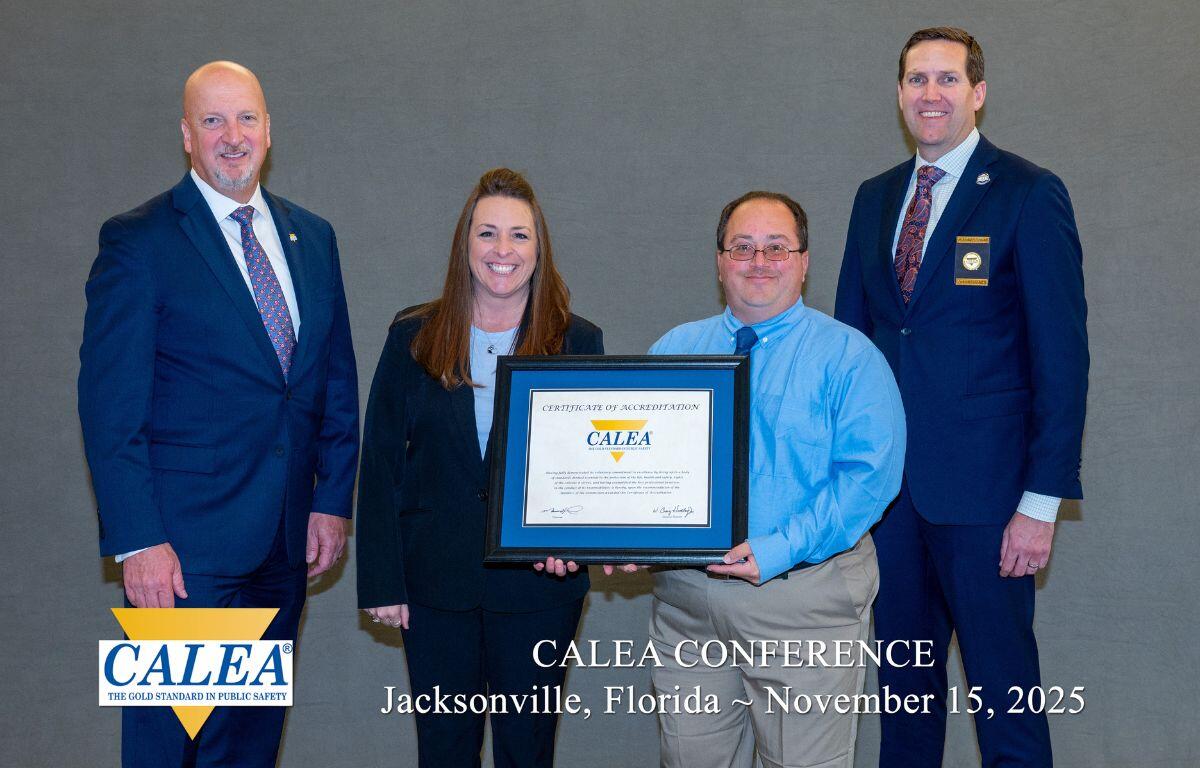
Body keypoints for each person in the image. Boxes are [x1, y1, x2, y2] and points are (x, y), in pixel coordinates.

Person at [78, 61, 359, 767]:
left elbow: (332, 381)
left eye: (246, 118)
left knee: (248, 750)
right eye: (213, 120)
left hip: (281, 549)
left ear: (269, 129)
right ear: (186, 135)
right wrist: (138, 541)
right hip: (183, 558)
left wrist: (330, 502)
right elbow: (110, 407)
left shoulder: (313, 237)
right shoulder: (140, 240)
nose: (232, 136)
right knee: (169, 750)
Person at [834, 27, 1088, 768]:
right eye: (917, 79)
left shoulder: (1027, 193)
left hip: (989, 503)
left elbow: (1062, 358)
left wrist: (1041, 503)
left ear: (978, 92)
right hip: (891, 502)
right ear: (899, 94)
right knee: (905, 706)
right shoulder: (875, 198)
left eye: (948, 79)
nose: (931, 94)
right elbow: (852, 347)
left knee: (1006, 703)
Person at [628, 192, 905, 768]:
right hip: (689, 608)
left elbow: (868, 481)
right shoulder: (674, 350)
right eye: (742, 247)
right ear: (719, 262)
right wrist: (626, 534)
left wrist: (778, 549)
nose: (759, 261)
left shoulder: (850, 357)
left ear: (804, 262)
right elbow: (638, 467)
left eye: (777, 248)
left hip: (803, 604)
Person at [356, 168, 603, 768]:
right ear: (465, 243)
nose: (502, 250)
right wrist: (382, 581)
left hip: (539, 588)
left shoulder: (577, 340)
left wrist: (576, 544)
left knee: (527, 753)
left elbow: (590, 466)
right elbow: (381, 461)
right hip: (434, 587)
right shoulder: (413, 336)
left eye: (519, 235)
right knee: (444, 752)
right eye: (487, 233)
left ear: (539, 249)